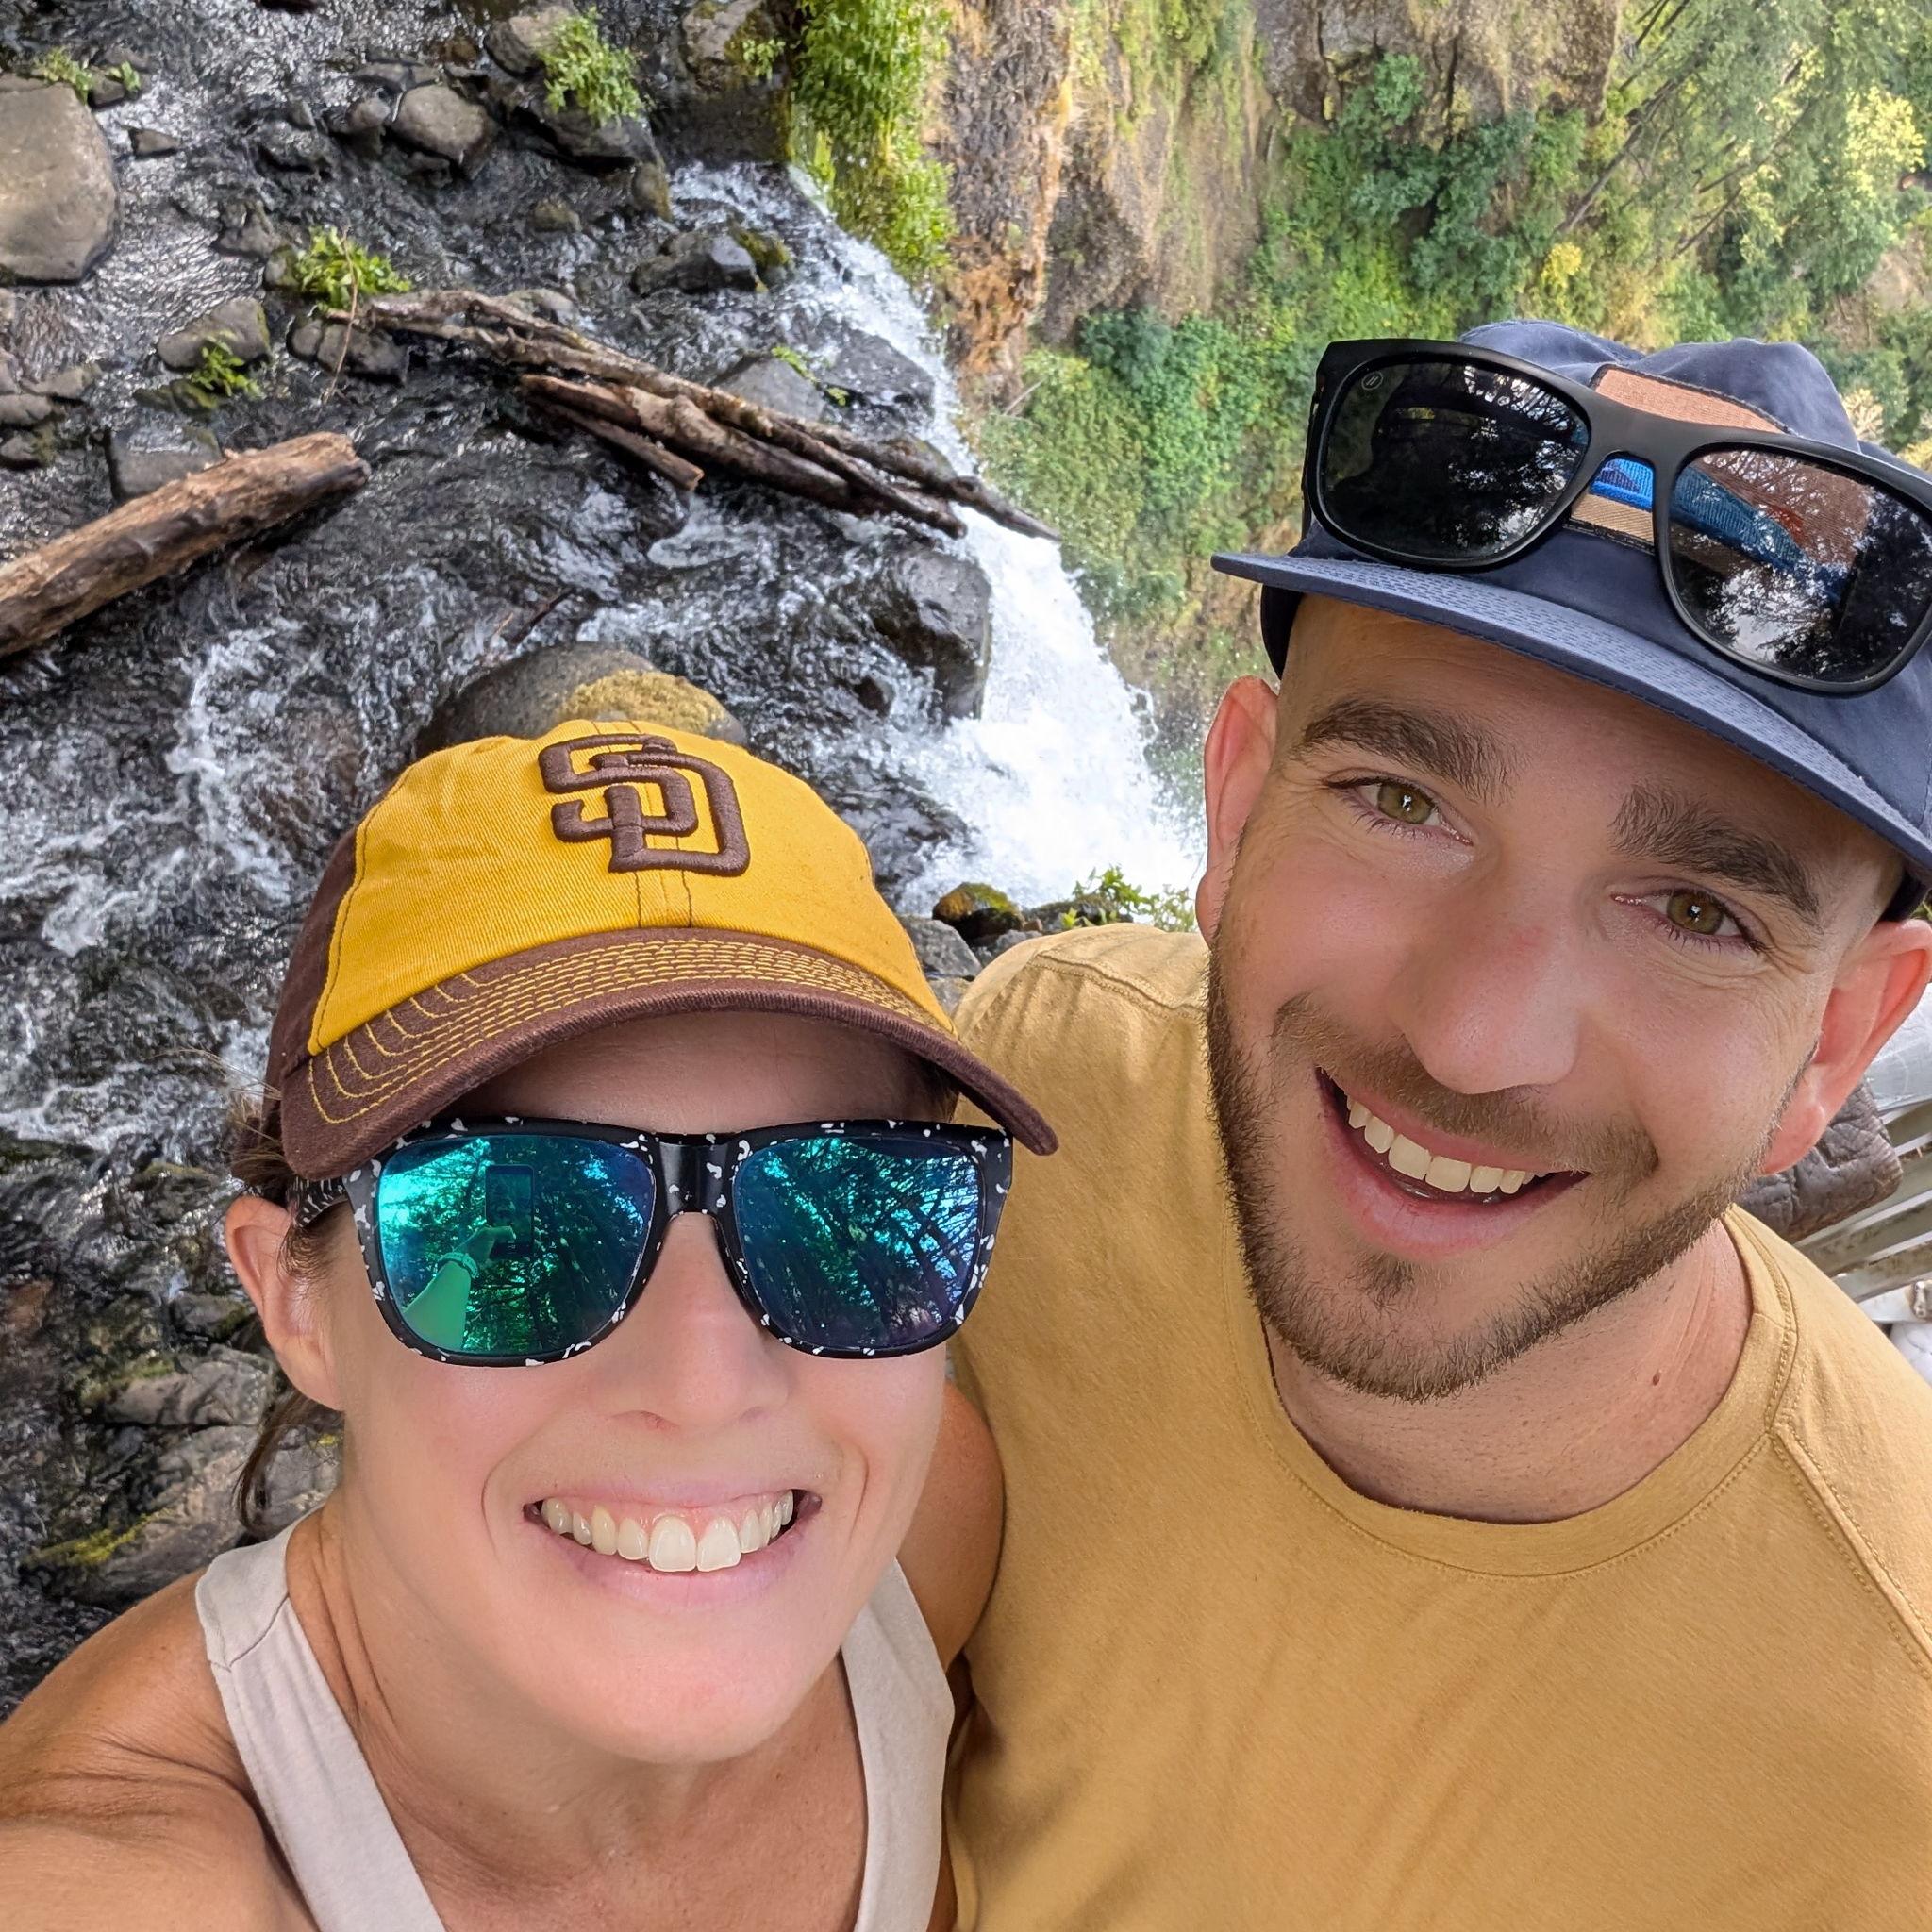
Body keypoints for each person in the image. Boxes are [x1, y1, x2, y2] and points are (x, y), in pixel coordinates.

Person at [932, 323, 1932, 1928]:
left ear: (1839, 1037)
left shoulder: (1891, 1768)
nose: (1471, 1038)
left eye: (1695, 910)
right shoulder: (1039, 1086)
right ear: (1237, 806)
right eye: (1401, 802)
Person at [0, 719, 1055, 1931]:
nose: (705, 1385)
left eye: (845, 1208)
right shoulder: (133, 1868)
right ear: (295, 1297)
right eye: (510, 1226)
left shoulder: (933, 1527)